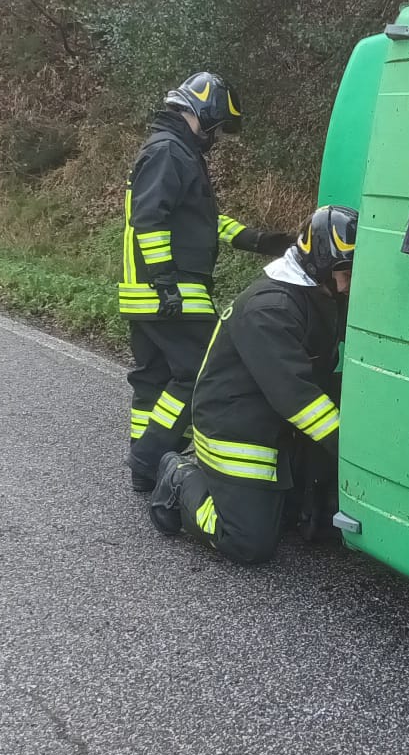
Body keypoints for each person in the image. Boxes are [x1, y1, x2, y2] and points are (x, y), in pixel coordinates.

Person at [147, 205, 356, 566]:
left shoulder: (322, 293)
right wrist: (355, 454)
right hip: (236, 423)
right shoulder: (270, 309)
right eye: (346, 271)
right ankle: (179, 477)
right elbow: (297, 398)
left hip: (274, 418)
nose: (353, 281)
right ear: (321, 265)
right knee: (248, 541)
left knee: (298, 522)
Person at [121, 72, 292, 492]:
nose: (215, 137)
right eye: (215, 128)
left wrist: (258, 240)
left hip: (145, 294)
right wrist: (165, 281)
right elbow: (150, 218)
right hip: (171, 292)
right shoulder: (169, 152)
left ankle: (152, 461)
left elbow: (199, 221)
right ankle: (148, 459)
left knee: (154, 381)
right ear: (201, 113)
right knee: (201, 373)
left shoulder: (171, 150)